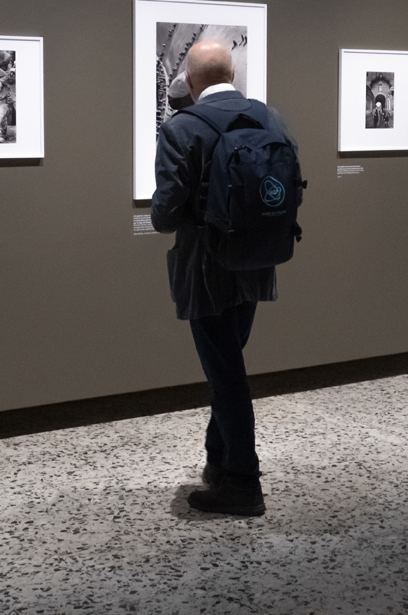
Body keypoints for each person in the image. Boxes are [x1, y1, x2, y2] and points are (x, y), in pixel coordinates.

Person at [150, 40, 278, 516]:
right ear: (231, 73)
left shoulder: (183, 128)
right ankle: (218, 461)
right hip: (257, 260)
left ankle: (243, 482)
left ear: (191, 78)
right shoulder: (265, 117)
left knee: (226, 373)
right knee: (227, 364)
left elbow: (164, 215)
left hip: (206, 266)